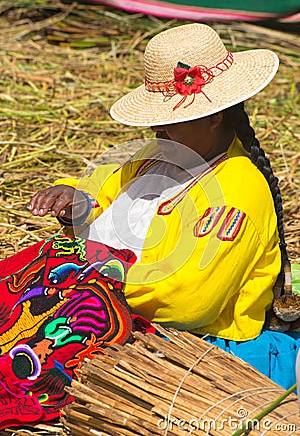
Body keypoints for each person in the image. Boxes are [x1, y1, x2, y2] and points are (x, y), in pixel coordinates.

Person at [28, 23, 299, 390]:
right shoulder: (157, 156)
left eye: (168, 121)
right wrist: (76, 200)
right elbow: (106, 192)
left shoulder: (238, 191)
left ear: (214, 116)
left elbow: (188, 299)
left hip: (194, 344)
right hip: (105, 303)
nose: (156, 129)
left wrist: (94, 283)